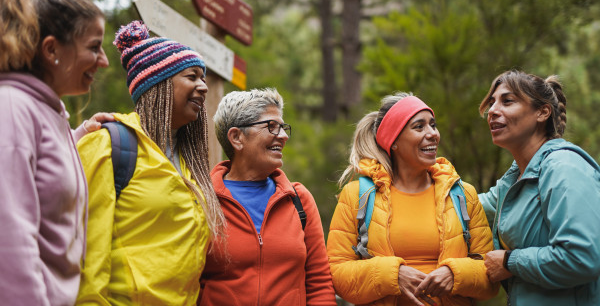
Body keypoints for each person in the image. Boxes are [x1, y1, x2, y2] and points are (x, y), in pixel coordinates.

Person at [75, 20, 225, 305]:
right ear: (159, 84)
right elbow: (86, 258)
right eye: (192, 76)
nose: (203, 87)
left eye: (203, 78)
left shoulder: (189, 163)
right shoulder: (109, 144)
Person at [327, 93, 499, 306]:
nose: (433, 134)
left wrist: (456, 274)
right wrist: (392, 275)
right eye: (419, 127)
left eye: (433, 125)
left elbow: (490, 274)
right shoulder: (358, 195)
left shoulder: (463, 194)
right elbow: (337, 273)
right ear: (394, 141)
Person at [0, 0, 110, 305]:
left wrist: (75, 137)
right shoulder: (13, 108)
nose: (104, 61)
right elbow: (10, 240)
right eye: (94, 47)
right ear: (51, 50)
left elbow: (40, 179)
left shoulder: (50, 113)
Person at [199, 88, 336, 306]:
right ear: (236, 137)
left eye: (282, 127)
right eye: (271, 126)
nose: (283, 136)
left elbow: (319, 283)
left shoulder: (298, 199)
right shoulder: (202, 200)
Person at [478, 70, 600, 305]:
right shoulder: (515, 180)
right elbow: (468, 205)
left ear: (542, 112)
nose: (492, 110)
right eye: (492, 102)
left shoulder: (563, 167)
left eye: (507, 101)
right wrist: (423, 172)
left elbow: (582, 257)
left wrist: (510, 262)